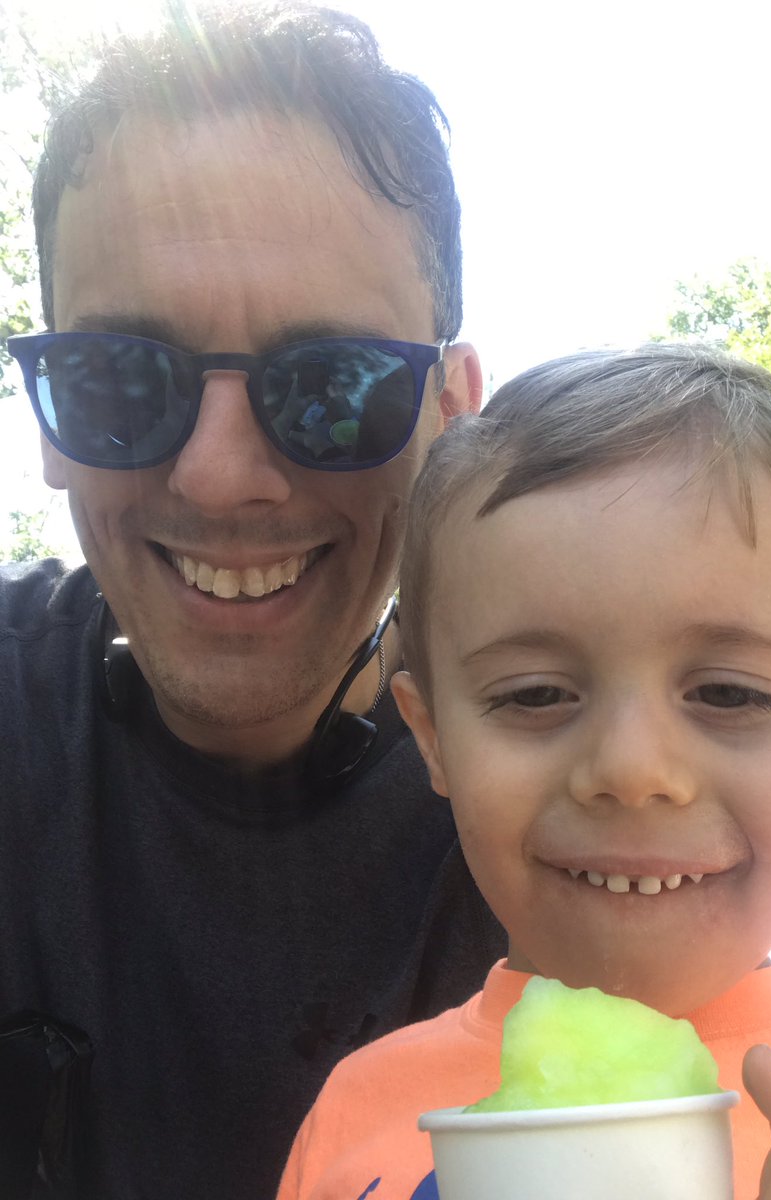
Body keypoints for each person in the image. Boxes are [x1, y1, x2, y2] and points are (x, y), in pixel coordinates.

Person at [0, 5, 506, 1199]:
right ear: (47, 423)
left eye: (333, 383)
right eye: (119, 379)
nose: (219, 477)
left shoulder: (595, 799)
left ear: (452, 411)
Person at [277, 344, 771, 1200]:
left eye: (728, 692)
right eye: (535, 694)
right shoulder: (356, 1109)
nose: (631, 769)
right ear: (430, 739)